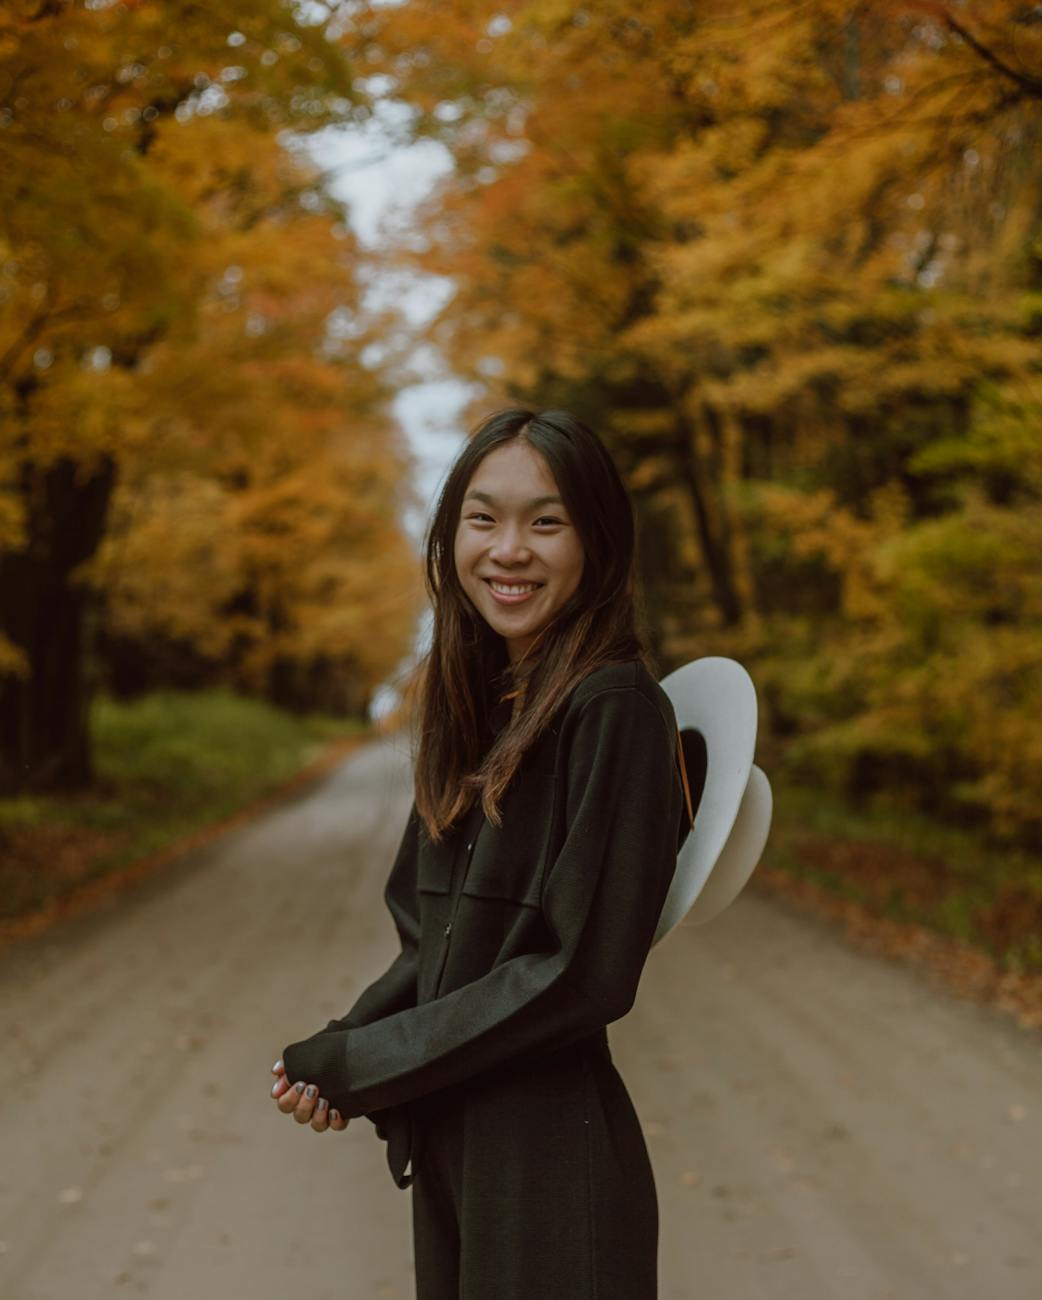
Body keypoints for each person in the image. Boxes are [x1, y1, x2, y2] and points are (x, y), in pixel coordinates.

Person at [270, 407, 691, 1299]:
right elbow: (430, 939)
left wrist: (368, 1065)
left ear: (597, 542)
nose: (509, 550)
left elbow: (583, 973)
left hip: (546, 1161)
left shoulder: (613, 708)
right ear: (450, 536)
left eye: (547, 521)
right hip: (458, 1138)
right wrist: (348, 1046)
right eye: (483, 518)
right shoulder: (478, 713)